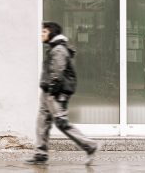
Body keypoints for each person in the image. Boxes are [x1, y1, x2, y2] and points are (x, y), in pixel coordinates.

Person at [26, 22, 98, 165]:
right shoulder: (54, 48)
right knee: (42, 122)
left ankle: (90, 145)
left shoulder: (58, 49)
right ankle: (40, 154)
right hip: (47, 92)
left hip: (54, 93)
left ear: (52, 33)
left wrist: (53, 93)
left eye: (44, 31)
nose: (41, 34)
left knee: (61, 123)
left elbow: (57, 73)